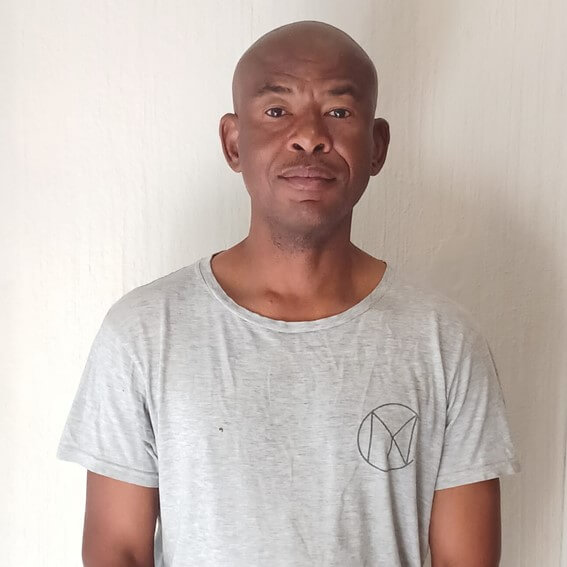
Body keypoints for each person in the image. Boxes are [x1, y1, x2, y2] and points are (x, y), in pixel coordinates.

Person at [57, 20, 520, 567]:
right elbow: (118, 549)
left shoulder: (444, 341)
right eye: (277, 111)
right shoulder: (143, 332)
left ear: (376, 146)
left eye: (339, 112)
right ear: (233, 142)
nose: (310, 136)